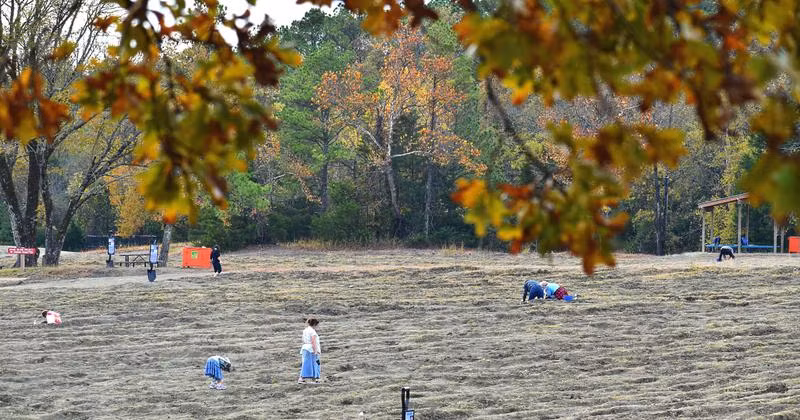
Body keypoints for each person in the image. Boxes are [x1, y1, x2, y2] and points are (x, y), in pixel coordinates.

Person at [298, 318, 321, 384]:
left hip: (305, 348)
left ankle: (313, 378)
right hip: (311, 349)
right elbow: (313, 341)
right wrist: (315, 350)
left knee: (306, 363)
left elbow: (303, 339)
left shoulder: (305, 330)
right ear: (314, 324)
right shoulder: (312, 331)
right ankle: (313, 378)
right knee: (314, 363)